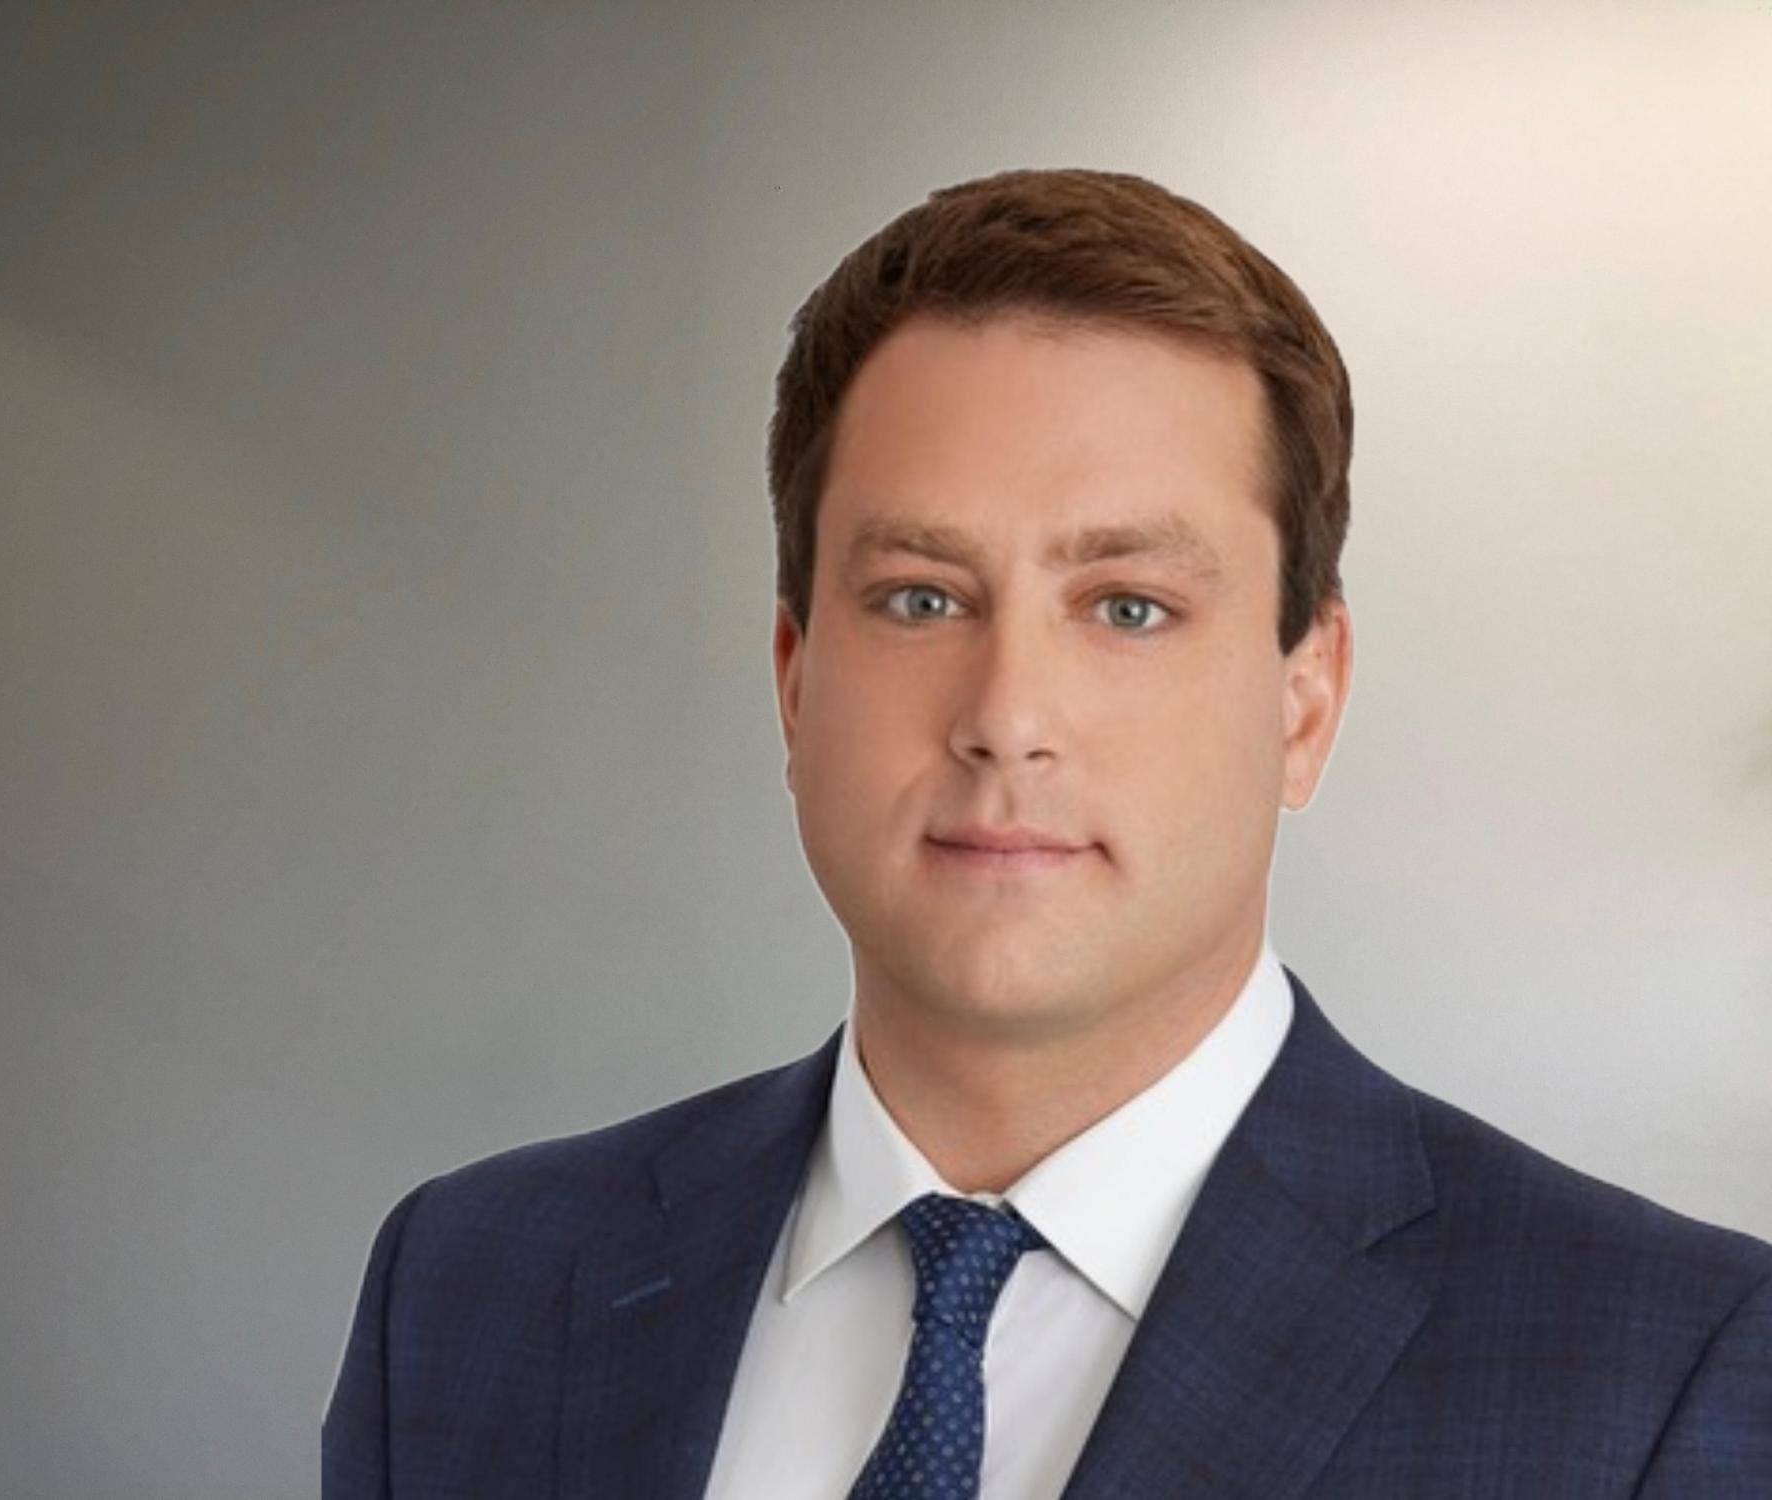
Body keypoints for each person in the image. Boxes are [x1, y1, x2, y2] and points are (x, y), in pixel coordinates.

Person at [323, 169, 1771, 1497]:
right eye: (919, 598)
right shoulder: (471, 1290)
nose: (1006, 715)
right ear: (792, 678)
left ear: (1305, 700)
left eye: (1128, 607)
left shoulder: (1666, 1372)